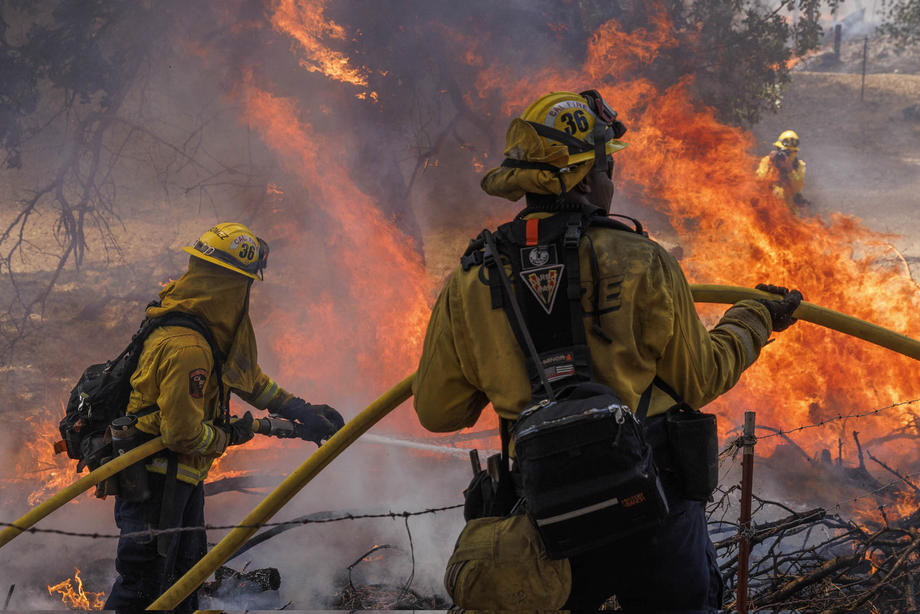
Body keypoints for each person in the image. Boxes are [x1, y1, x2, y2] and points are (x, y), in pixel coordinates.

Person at [413, 91, 803, 612]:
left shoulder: (468, 280)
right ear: (582, 180)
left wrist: (501, 368)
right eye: (607, 168)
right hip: (653, 502)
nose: (611, 183)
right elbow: (701, 378)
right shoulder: (644, 260)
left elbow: (438, 412)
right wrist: (754, 317)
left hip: (547, 515)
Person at [104, 222, 344, 612]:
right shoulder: (188, 347)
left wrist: (298, 409)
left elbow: (246, 377)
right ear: (232, 285)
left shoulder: (205, 329)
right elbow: (182, 434)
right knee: (145, 588)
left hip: (181, 480)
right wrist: (230, 434)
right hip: (157, 484)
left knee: (185, 582)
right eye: (245, 284)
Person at [756, 129, 808, 209]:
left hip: (788, 212)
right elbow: (759, 180)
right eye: (779, 150)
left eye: (787, 153)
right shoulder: (767, 161)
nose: (782, 155)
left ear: (794, 152)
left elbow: (798, 187)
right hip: (768, 209)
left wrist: (790, 170)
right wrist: (771, 164)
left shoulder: (799, 166)